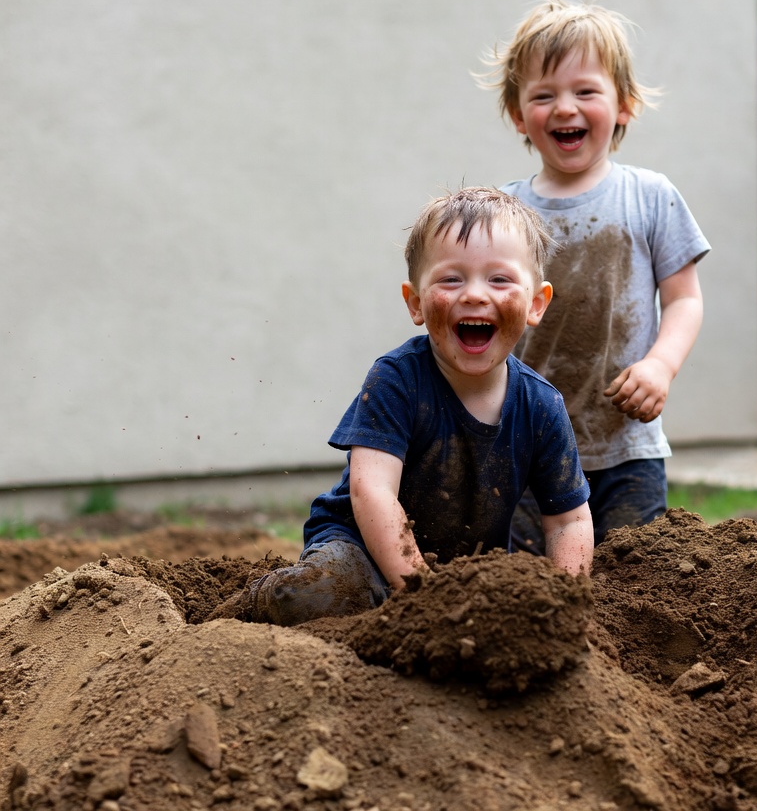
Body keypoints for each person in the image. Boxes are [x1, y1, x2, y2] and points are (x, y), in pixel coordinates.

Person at [222, 186, 593, 626]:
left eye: (499, 279)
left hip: (464, 572)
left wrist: (567, 607)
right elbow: (372, 492)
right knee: (310, 596)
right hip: (362, 554)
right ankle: (246, 608)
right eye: (451, 278)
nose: (475, 294)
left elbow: (568, 521)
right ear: (416, 303)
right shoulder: (397, 379)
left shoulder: (542, 405)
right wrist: (425, 597)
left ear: (535, 304)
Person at [478, 0, 711, 548]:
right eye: (544, 95)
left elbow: (684, 299)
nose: (565, 108)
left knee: (633, 578)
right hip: (524, 447)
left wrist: (660, 367)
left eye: (586, 91)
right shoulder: (504, 215)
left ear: (624, 104)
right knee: (522, 581)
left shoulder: (651, 196)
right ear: (517, 115)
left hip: (625, 443)